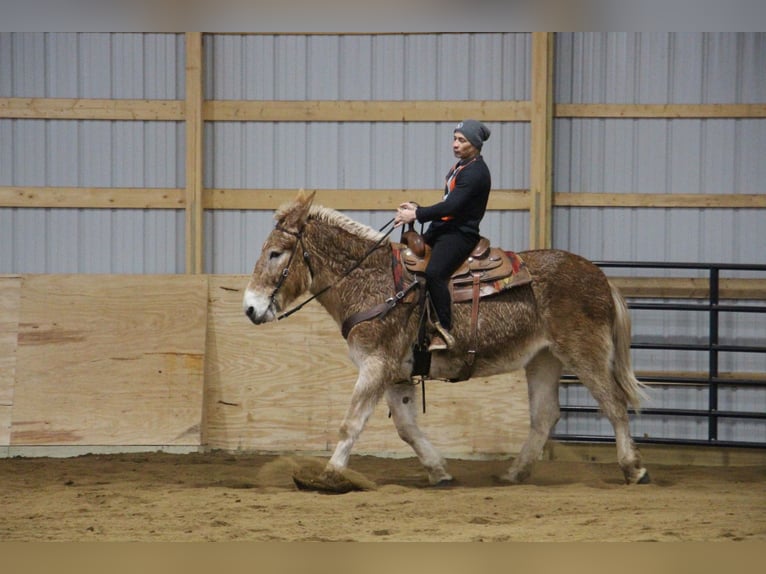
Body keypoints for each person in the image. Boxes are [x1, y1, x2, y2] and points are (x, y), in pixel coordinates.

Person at [394, 119, 492, 351]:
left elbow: (452, 207)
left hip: (460, 234)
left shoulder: (476, 172)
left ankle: (444, 329)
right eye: (455, 139)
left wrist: (417, 214)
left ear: (475, 145)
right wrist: (416, 211)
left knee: (435, 273)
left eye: (462, 140)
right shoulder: (462, 166)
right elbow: (447, 204)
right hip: (444, 228)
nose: (455, 144)